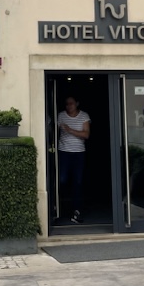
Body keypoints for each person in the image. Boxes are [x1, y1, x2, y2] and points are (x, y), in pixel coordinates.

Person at [57, 96, 90, 224]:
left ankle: (76, 210)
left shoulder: (84, 116)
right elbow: (53, 132)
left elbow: (86, 134)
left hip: (79, 153)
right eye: (67, 104)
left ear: (77, 103)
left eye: (71, 103)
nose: (69, 106)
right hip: (63, 152)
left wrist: (70, 130)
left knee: (78, 182)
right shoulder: (61, 116)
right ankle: (58, 207)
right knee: (62, 180)